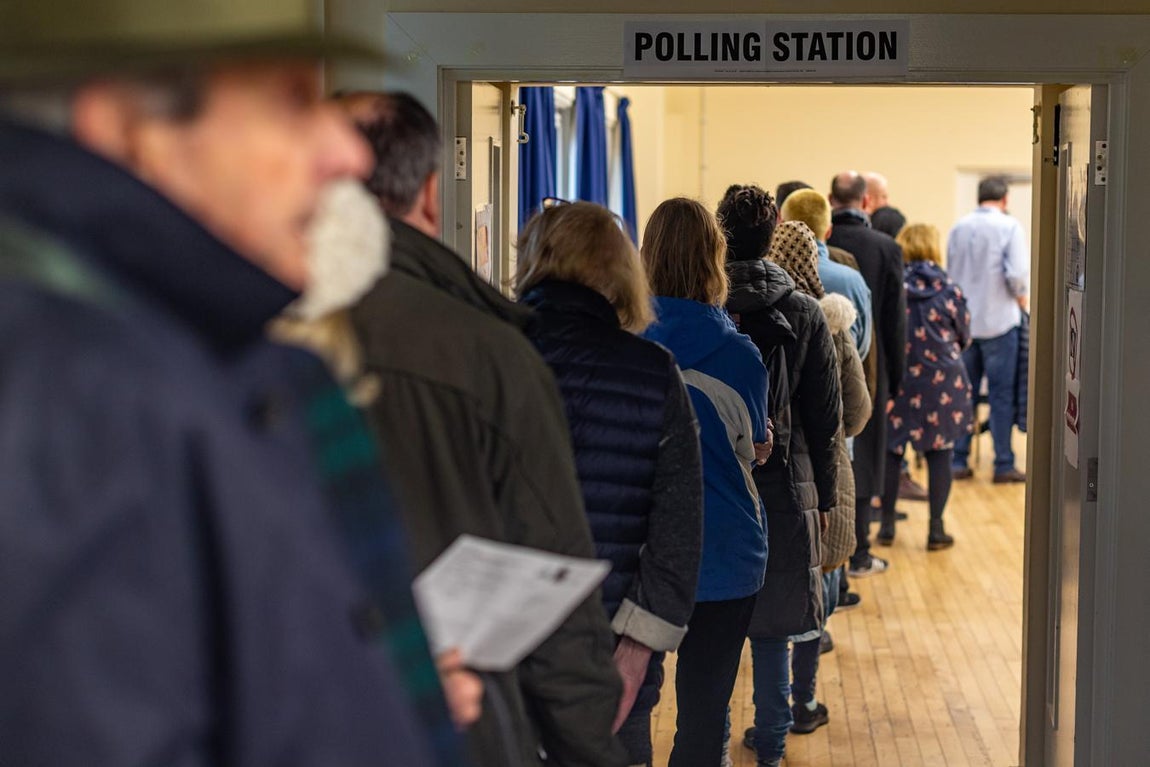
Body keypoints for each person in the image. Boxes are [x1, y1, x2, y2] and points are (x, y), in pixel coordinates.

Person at [0, 4, 443, 766]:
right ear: (126, 126)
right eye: (294, 103)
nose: (348, 153)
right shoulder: (85, 395)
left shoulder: (202, 359)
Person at [337, 92, 628, 767]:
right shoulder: (488, 354)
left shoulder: (232, 330)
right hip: (457, 724)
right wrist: (590, 747)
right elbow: (553, 589)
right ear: (432, 194)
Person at [513, 201, 704, 767]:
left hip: (501, 653)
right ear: (621, 271)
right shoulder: (652, 370)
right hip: (608, 659)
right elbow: (678, 532)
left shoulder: (489, 351)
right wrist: (635, 654)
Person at [640, 198, 770, 767]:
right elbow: (751, 447)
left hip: (640, 549)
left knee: (629, 704)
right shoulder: (741, 356)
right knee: (704, 713)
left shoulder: (623, 343)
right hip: (725, 550)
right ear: (714, 261)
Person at [719, 187, 841, 767]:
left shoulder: (701, 302)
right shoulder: (806, 310)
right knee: (772, 628)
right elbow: (826, 416)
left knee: (712, 630)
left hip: (716, 479)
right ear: (774, 235)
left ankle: (708, 747)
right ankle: (770, 744)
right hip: (786, 483)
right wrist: (827, 495)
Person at [827, 171, 907, 578]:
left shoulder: (821, 243)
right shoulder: (887, 247)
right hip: (871, 370)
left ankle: (832, 558)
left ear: (830, 199)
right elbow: (894, 321)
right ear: (865, 202)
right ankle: (858, 551)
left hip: (817, 367)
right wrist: (898, 376)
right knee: (865, 458)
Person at [880, 224, 974, 548]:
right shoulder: (950, 289)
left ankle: (887, 526)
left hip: (899, 378)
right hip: (941, 380)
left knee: (892, 451)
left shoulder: (892, 286)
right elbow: (965, 336)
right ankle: (936, 529)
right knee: (940, 451)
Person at [947, 175, 1030, 483]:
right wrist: (1022, 299)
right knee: (1001, 396)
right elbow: (1018, 274)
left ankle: (958, 459)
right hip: (1000, 322)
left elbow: (951, 272)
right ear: (1005, 200)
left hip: (965, 326)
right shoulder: (1009, 227)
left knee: (964, 395)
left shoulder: (959, 227)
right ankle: (1003, 464)